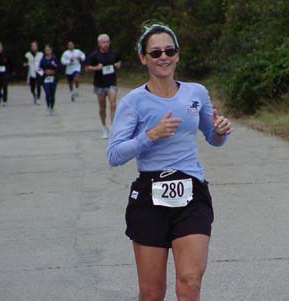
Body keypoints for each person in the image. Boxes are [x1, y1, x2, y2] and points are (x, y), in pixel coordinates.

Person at [107, 24, 231, 301]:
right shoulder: (134, 102)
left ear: (177, 55)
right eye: (155, 52)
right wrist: (150, 136)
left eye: (169, 51)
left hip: (191, 193)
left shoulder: (196, 93)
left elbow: (212, 136)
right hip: (150, 195)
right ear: (143, 58)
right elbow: (114, 155)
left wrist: (220, 131)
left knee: (189, 283)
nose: (163, 57)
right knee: (152, 294)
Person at [86, 33, 121, 139]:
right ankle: (104, 127)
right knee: (102, 107)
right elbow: (87, 68)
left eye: (107, 42)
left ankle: (113, 127)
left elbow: (119, 63)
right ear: (99, 44)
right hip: (99, 84)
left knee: (113, 104)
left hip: (111, 83)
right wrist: (96, 68)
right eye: (103, 42)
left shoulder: (114, 53)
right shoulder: (94, 55)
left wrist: (118, 65)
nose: (106, 44)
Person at [39, 45, 60, 115]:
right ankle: (48, 106)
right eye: (46, 50)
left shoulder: (54, 59)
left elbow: (59, 67)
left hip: (53, 78)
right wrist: (43, 72)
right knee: (47, 93)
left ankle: (52, 107)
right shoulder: (43, 59)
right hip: (45, 79)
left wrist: (55, 66)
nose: (47, 51)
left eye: (48, 50)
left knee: (52, 94)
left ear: (51, 51)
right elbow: (39, 68)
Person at [24, 41, 44, 105]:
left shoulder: (41, 54)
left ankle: (38, 98)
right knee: (32, 87)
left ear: (37, 47)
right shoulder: (28, 54)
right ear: (31, 47)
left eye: (35, 46)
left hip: (38, 71)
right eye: (32, 46)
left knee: (38, 85)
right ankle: (34, 94)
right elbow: (24, 62)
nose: (34, 47)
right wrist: (25, 64)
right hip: (31, 72)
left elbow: (43, 62)